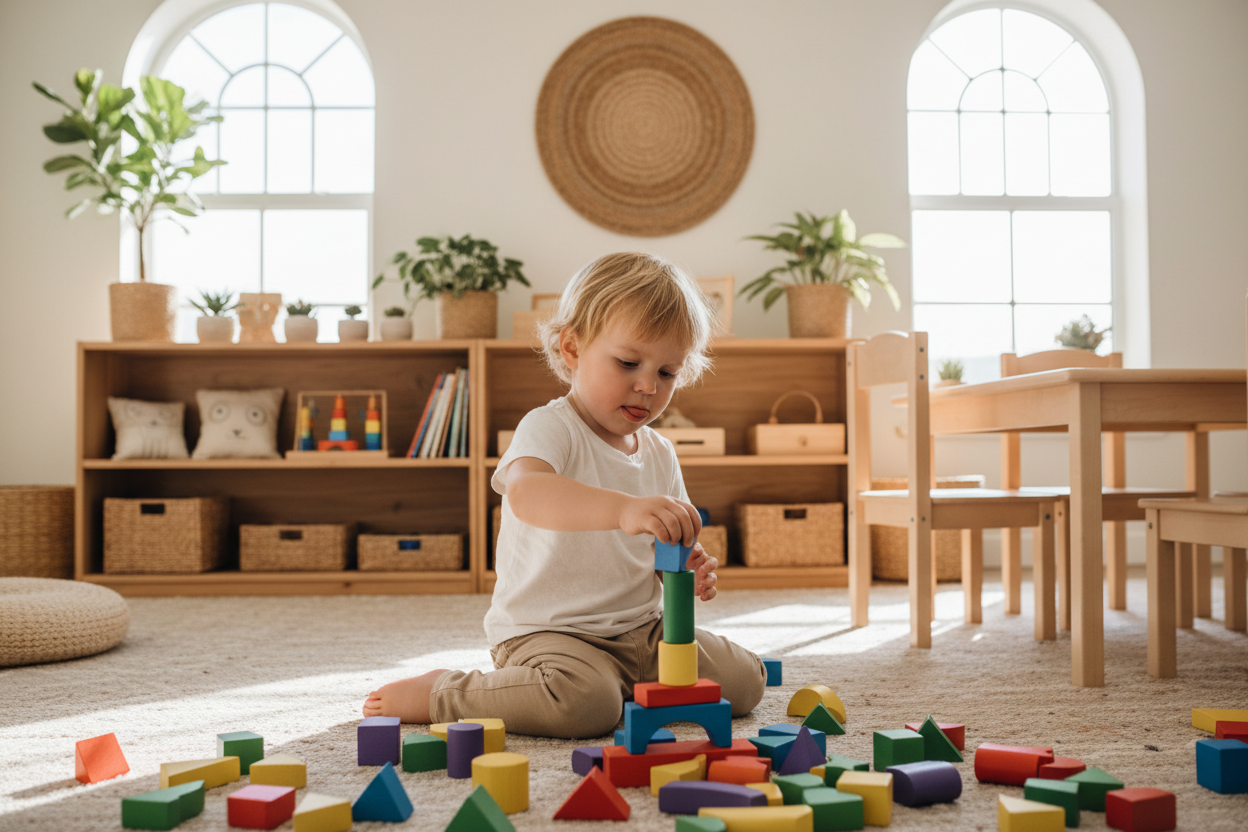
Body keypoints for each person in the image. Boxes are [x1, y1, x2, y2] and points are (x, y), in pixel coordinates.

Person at [363, 252, 766, 738]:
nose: (646, 386)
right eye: (628, 362)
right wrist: (623, 509)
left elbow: (658, 547)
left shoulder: (659, 451)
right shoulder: (550, 427)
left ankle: (624, 683)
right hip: (550, 634)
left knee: (745, 683)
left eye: (667, 373)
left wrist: (685, 564)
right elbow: (529, 494)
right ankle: (442, 693)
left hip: (644, 630)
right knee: (584, 706)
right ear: (572, 349)